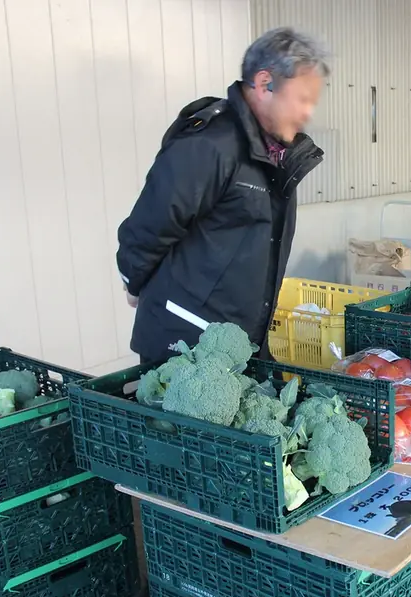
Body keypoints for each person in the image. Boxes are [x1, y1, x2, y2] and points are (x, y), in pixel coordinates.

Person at [117, 28, 327, 363]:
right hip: (186, 345)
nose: (308, 113)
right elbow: (149, 226)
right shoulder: (210, 145)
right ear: (263, 84)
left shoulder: (274, 155)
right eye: (302, 99)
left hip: (241, 341)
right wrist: (133, 282)